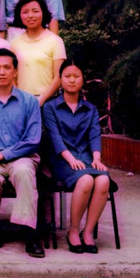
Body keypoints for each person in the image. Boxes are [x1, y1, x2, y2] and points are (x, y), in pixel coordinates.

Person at [0, 48, 44, 257]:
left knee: (23, 172)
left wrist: (1, 155)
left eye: (6, 67)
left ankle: (29, 233)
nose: (2, 72)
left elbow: (33, 140)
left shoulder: (30, 102)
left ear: (15, 71)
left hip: (22, 157)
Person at [43, 59, 111, 254]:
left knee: (103, 181)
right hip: (62, 159)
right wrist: (72, 160)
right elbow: (55, 137)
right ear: (60, 79)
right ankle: (73, 231)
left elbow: (94, 135)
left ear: (82, 80)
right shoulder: (50, 107)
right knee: (86, 179)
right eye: (67, 76)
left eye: (76, 76)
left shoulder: (90, 109)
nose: (72, 80)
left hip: (87, 158)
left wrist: (96, 158)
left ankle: (87, 232)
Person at [11, 0, 67, 105]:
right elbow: (12, 75)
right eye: (25, 12)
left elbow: (59, 76)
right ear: (19, 15)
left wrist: (41, 101)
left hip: (49, 102)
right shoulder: (15, 43)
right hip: (22, 102)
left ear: (43, 13)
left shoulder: (55, 41)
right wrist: (19, 98)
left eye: (35, 11)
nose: (30, 15)